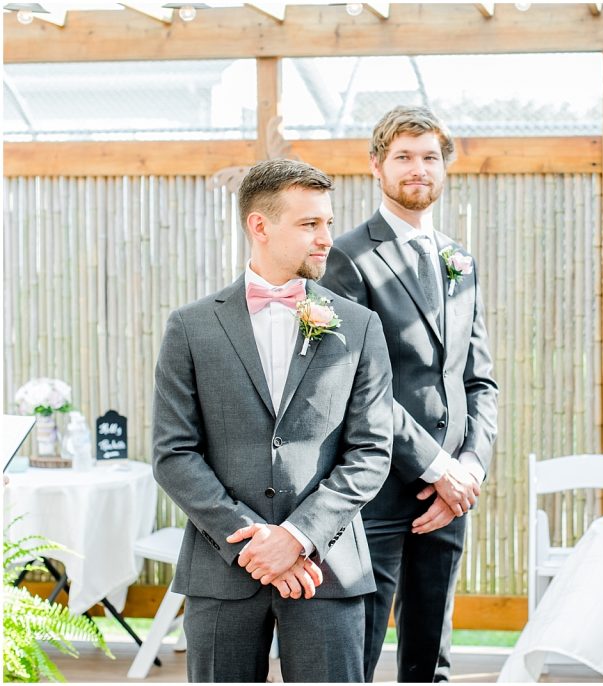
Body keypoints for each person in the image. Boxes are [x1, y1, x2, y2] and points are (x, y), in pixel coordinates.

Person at [152, 158, 393, 683]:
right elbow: (173, 453)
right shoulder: (191, 328)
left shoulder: (360, 326)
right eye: (309, 224)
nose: (326, 237)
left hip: (325, 572)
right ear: (259, 226)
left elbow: (372, 451)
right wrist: (252, 539)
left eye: (327, 222)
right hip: (223, 571)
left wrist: (299, 537)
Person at [321, 105, 499, 682]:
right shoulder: (347, 258)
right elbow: (357, 386)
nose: (417, 168)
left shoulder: (460, 260)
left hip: (451, 496)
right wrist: (435, 466)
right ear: (377, 166)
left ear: (443, 168)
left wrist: (469, 467)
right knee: (360, 652)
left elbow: (479, 379)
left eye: (429, 157)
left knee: (431, 657)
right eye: (403, 157)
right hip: (377, 490)